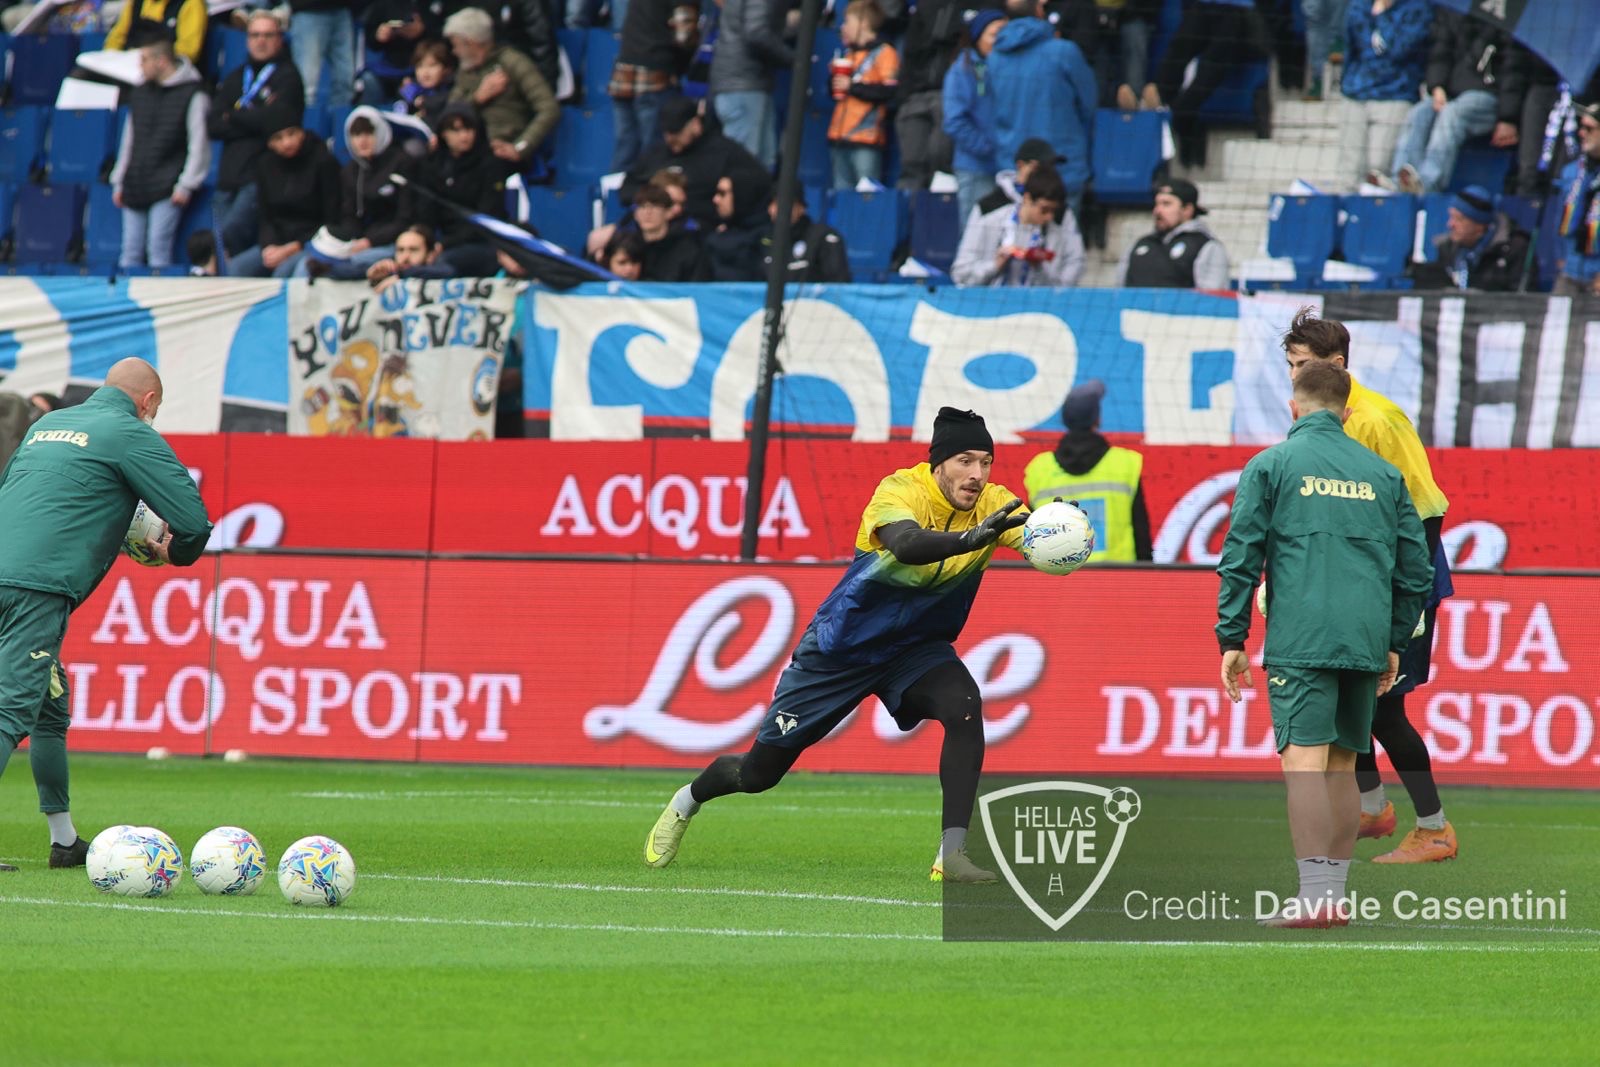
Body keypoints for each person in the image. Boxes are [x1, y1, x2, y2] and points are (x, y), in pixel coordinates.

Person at [645, 407, 1033, 883]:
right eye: (965, 461)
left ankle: (950, 854)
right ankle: (688, 800)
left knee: (965, 706)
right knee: (758, 774)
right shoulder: (898, 491)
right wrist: (970, 539)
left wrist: (1062, 535)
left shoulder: (996, 502)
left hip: (915, 651)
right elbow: (907, 544)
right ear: (938, 464)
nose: (977, 475)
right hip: (841, 650)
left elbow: (1033, 536)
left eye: (986, 462)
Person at [1217, 358, 1433, 927]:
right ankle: (1332, 898)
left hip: (1303, 640)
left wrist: (1232, 636)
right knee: (1342, 768)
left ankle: (1314, 899)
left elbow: (1240, 557)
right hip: (1364, 641)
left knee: (1306, 767)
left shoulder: (1272, 464)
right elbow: (1417, 569)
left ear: (1294, 406)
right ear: (1346, 411)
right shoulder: (1383, 475)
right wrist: (1393, 642)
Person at [0, 358, 213, 874]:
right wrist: (172, 554)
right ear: (148, 402)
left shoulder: (47, 425)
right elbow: (192, 522)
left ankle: (65, 841)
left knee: (49, 704)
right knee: (9, 708)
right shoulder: (129, 433)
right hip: (36, 587)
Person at [1279, 308, 1458, 865]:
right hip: (1354, 580)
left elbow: (1428, 511)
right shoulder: (1316, 414)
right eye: (1289, 364)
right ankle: (1374, 810)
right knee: (1347, 706)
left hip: (1402, 579)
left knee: (1383, 711)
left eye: (1303, 364)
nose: (1293, 375)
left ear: (1336, 364)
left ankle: (1434, 829)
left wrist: (1410, 597)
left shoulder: (1379, 420)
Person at [1383, 7, 1514, 194]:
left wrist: (1509, 117)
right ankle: (1401, 183)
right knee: (1420, 112)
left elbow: (1515, 73)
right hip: (1452, 93)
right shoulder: (1457, 9)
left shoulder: (1512, 13)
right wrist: (1437, 86)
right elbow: (1441, 51)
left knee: (1453, 113)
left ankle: (1428, 183)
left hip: (1490, 98)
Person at [207, 12, 305, 261]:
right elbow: (212, 124)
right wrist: (253, 118)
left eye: (268, 35)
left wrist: (234, 115)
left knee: (228, 239)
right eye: (255, 35)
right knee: (221, 248)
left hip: (259, 176)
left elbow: (275, 121)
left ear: (280, 39)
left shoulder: (288, 76)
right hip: (227, 177)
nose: (261, 41)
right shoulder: (235, 77)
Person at [987, 0, 1096, 217]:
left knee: (1015, 246)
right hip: (1062, 169)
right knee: (1061, 248)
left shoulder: (994, 59)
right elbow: (1089, 105)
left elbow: (990, 113)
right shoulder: (1065, 52)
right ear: (1040, 10)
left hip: (1015, 169)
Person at [1023, 380, 1150, 562]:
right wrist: (1147, 572)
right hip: (1117, 578)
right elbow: (1141, 530)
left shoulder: (1039, 468)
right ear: (1097, 419)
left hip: (1060, 579)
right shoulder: (1124, 463)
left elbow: (1032, 538)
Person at [110, 41, 210, 270]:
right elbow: (129, 141)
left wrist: (186, 184)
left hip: (167, 185)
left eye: (144, 59)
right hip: (135, 182)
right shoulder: (140, 93)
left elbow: (199, 143)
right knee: (130, 254)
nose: (140, 66)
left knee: (158, 252)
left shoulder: (193, 94)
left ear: (161, 60)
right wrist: (119, 180)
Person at [1140, 0, 1268, 168]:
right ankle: (1156, 102)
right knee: (1179, 49)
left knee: (1214, 63)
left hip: (1238, 10)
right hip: (1203, 5)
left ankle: (1178, 115)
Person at [621, 97, 772, 228]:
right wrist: (657, 196)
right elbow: (627, 189)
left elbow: (758, 184)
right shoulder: (656, 153)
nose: (671, 139)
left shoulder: (723, 152)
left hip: (700, 229)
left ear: (695, 124)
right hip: (650, 229)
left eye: (677, 132)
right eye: (667, 133)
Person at [445, 7, 560, 171]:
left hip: (502, 150)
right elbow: (451, 112)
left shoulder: (513, 62)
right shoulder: (465, 70)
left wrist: (520, 147)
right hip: (468, 148)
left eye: (456, 45)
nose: (454, 52)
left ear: (471, 42)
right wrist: (477, 98)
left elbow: (549, 108)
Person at [227, 118, 342, 278]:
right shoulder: (265, 165)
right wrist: (269, 246)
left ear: (301, 133)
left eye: (291, 134)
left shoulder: (324, 162)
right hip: (278, 241)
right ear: (270, 143)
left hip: (312, 242)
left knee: (282, 273)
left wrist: (295, 247)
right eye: (278, 138)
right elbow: (265, 216)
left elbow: (332, 219)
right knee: (237, 268)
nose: (287, 143)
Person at [1338, 0, 1431, 191]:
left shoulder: (1418, 9)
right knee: (1349, 171)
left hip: (1395, 94)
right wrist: (1348, 84)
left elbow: (1396, 49)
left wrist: (1382, 15)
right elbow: (1352, 48)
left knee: (1378, 168)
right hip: (1355, 94)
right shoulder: (1359, 6)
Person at [952, 162, 1084, 287]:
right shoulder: (989, 221)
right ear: (1027, 198)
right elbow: (959, 275)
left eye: (1053, 211)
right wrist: (995, 265)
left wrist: (1039, 269)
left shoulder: (1057, 231)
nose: (1049, 217)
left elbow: (1063, 289)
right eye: (1044, 209)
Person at [413, 104, 507, 276]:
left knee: (441, 263)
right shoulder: (432, 166)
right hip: (444, 243)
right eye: (456, 130)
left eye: (468, 129)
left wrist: (445, 245)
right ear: (443, 134)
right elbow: (425, 213)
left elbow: (487, 217)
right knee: (410, 257)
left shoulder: (491, 164)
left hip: (482, 243)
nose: (464, 136)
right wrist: (426, 243)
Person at [607, 0, 701, 172]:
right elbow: (685, 36)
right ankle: (649, 196)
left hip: (623, 76)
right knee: (654, 156)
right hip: (655, 78)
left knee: (625, 152)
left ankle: (614, 197)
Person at [943, 8, 1007, 228]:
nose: (1000, 41)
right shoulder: (962, 69)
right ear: (978, 37)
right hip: (975, 168)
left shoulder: (1002, 68)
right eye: (994, 34)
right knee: (974, 237)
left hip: (1004, 168)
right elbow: (954, 121)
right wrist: (987, 148)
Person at [827, 0, 900, 191]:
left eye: (848, 22)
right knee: (841, 198)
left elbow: (889, 91)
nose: (843, 27)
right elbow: (835, 94)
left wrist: (852, 86)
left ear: (863, 23)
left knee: (866, 196)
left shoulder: (885, 53)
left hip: (866, 140)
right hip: (839, 138)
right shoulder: (848, 54)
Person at [709, 0, 791, 169]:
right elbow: (756, 33)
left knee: (763, 163)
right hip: (743, 84)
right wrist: (794, 60)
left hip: (745, 83)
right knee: (744, 165)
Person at [891, 0, 963, 191]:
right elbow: (910, 53)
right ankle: (908, 215)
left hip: (949, 95)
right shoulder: (925, 7)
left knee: (941, 163)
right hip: (915, 93)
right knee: (911, 165)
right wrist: (905, 94)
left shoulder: (980, 6)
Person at [1407, 184, 1533, 291]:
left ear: (1479, 225)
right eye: (1451, 217)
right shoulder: (1448, 248)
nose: (1450, 224)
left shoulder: (1514, 250)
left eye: (1459, 219)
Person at [1114, 178, 1230, 289]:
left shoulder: (1206, 246)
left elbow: (1213, 300)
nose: (1157, 211)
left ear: (1187, 210)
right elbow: (1120, 290)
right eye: (1157, 204)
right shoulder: (1140, 244)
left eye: (1166, 204)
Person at [1554, 98, 1600, 297]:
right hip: (1570, 273)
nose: (1581, 133)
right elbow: (1559, 220)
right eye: (1582, 127)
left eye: (1590, 129)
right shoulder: (1572, 172)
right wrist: (1562, 258)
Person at [758, 190, 852, 283]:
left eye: (779, 204)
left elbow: (838, 285)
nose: (773, 210)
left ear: (801, 208)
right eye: (771, 205)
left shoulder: (822, 238)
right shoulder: (764, 239)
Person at [356, 0, 432, 106]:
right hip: (390, 66)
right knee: (369, 80)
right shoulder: (383, 4)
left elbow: (443, 40)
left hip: (420, 68)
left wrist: (422, 31)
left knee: (411, 89)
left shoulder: (427, 5)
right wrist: (379, 36)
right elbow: (371, 41)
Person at [972, 136, 1063, 222]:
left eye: (1050, 168)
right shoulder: (987, 206)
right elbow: (973, 238)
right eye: (1039, 168)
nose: (1045, 173)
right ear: (1020, 165)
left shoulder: (1058, 208)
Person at [632, 182, 711, 280]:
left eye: (655, 206)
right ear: (635, 214)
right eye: (642, 206)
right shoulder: (630, 248)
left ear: (668, 212)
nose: (648, 212)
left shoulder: (687, 249)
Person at [287, 0, 358, 108]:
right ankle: (304, 122)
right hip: (308, 10)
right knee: (307, 86)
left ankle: (340, 123)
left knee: (345, 81)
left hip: (342, 9)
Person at [102, 0, 206, 65]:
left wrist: (152, 61)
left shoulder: (191, 3)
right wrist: (111, 58)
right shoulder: (136, 3)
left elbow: (188, 51)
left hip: (163, 70)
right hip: (128, 67)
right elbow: (116, 37)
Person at [397, 39, 457, 130]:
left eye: (432, 65)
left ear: (446, 68)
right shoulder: (412, 87)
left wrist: (424, 103)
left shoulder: (452, 89)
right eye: (420, 66)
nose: (425, 73)